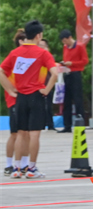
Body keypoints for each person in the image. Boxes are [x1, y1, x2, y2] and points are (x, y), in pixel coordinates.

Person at [0, 20, 58, 178]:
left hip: (20, 97)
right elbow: (55, 73)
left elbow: (1, 71)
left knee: (21, 133)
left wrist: (10, 90)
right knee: (34, 135)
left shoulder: (15, 53)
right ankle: (31, 168)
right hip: (36, 96)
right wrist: (46, 89)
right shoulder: (42, 53)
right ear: (39, 36)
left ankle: (17, 168)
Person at [3, 30, 26, 176]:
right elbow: (2, 73)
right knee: (15, 133)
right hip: (14, 99)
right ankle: (9, 164)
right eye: (22, 39)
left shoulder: (31, 56)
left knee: (27, 133)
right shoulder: (14, 55)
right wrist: (10, 91)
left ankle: (24, 163)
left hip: (26, 98)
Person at [58, 29, 88, 132]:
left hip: (76, 74)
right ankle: (67, 125)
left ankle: (80, 124)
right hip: (67, 73)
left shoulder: (79, 46)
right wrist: (64, 63)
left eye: (65, 40)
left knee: (78, 99)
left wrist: (72, 63)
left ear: (70, 37)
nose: (65, 43)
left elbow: (85, 61)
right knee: (66, 101)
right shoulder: (65, 47)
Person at [37, 39, 55, 130]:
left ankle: (50, 125)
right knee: (40, 107)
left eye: (42, 45)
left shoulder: (48, 57)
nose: (40, 47)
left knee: (49, 106)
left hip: (47, 84)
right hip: (38, 85)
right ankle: (42, 124)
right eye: (39, 45)